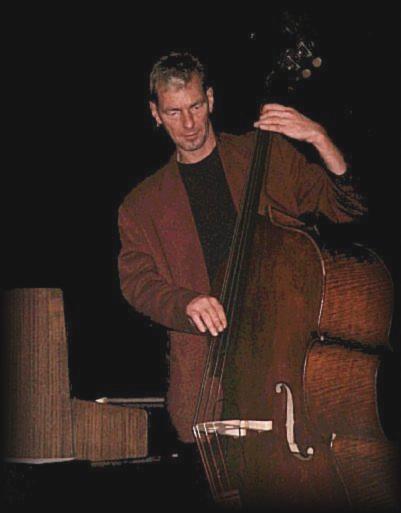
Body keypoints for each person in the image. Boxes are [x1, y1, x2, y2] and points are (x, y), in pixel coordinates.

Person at [118, 51, 365, 452]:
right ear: (155, 114)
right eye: (174, 112)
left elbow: (349, 206)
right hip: (207, 383)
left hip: (289, 368)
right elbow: (138, 284)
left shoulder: (264, 157)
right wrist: (186, 302)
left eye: (196, 106)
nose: (189, 124)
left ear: (211, 99)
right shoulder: (140, 205)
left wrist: (319, 138)